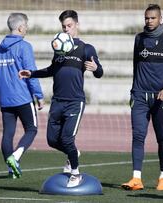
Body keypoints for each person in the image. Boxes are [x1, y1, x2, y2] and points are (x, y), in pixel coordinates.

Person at [19, 10, 103, 187]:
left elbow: (100, 73)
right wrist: (32, 73)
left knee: (66, 139)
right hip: (57, 101)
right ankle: (74, 153)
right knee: (52, 140)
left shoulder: (86, 48)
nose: (66, 30)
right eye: (64, 27)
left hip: (75, 102)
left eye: (70, 26)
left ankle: (75, 173)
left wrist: (96, 68)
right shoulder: (59, 48)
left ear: (77, 25)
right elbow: (51, 70)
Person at [121, 4, 163, 191]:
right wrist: (133, 89)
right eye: (146, 18)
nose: (149, 21)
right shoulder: (139, 38)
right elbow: (135, 65)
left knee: (162, 137)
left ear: (160, 19)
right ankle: (136, 178)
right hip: (139, 95)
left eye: (153, 18)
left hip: (160, 97)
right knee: (138, 136)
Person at [0, 13, 44, 179]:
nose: (27, 29)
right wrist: (39, 95)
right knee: (32, 129)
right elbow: (30, 72)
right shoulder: (24, 46)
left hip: (5, 99)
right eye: (26, 26)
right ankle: (15, 157)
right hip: (23, 97)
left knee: (8, 133)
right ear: (21, 27)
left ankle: (11, 169)